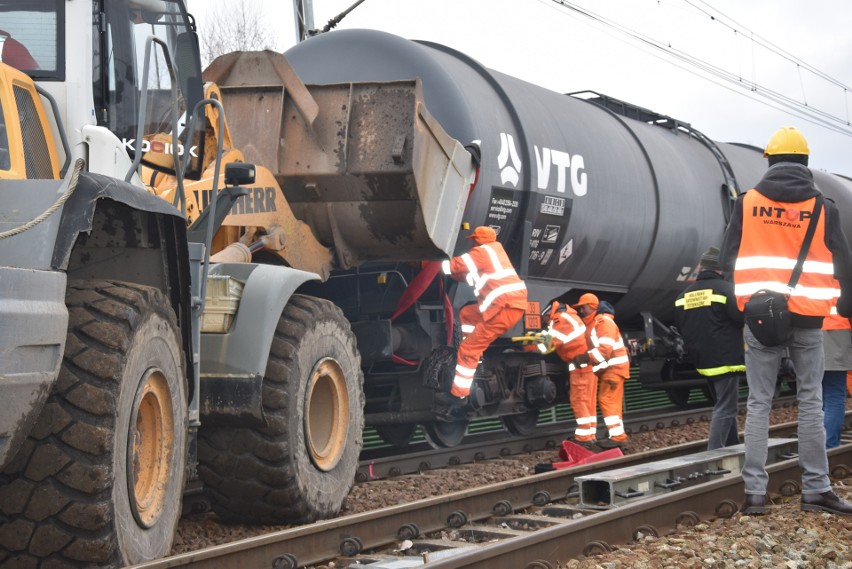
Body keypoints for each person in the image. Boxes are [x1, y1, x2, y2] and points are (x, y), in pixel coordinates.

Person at [720, 126, 852, 516]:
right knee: (810, 401)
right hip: (810, 318)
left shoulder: (746, 203)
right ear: (805, 163)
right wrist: (844, 307)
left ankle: (755, 495)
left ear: (771, 161)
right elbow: (844, 261)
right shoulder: (824, 207)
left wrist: (741, 304)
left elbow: (727, 259)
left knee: (760, 402)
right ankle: (816, 490)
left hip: (760, 317)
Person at [441, 226, 527, 399]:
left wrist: (430, 263)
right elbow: (465, 274)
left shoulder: (483, 252)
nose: (472, 242)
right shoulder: (495, 254)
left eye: (474, 239)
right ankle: (474, 351)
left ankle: (459, 394)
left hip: (503, 308)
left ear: (479, 240)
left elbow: (455, 265)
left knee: (468, 349)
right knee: (468, 313)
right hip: (506, 306)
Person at [674, 246, 746, 450]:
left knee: (724, 404)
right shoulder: (725, 289)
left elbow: (680, 325)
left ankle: (733, 446)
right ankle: (714, 453)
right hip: (725, 358)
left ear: (701, 268)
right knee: (726, 407)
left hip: (701, 358)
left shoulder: (683, 295)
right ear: (720, 268)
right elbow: (740, 318)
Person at [573, 294, 630, 450]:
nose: (581, 311)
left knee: (607, 400)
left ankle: (618, 437)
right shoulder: (597, 323)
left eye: (583, 307)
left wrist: (586, 358)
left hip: (613, 369)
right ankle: (619, 436)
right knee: (612, 402)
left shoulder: (603, 322)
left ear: (592, 306)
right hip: (611, 369)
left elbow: (605, 350)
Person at [545, 301, 598, 448]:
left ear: (547, 312)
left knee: (578, 400)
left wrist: (527, 347)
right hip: (588, 365)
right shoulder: (569, 316)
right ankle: (590, 435)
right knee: (588, 401)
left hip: (579, 366)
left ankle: (584, 438)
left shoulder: (560, 319)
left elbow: (549, 344)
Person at [821, 292, 852, 448]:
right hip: (837, 330)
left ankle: (815, 445)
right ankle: (830, 445)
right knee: (834, 392)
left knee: (811, 395)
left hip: (806, 329)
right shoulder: (842, 268)